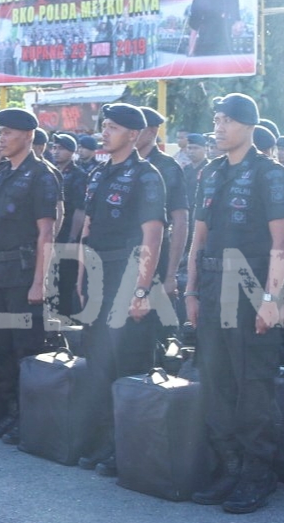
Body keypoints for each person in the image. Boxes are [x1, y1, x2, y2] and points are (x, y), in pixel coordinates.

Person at [185, 93, 284, 513]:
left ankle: (257, 475)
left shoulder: (271, 175)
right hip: (212, 290)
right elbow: (198, 238)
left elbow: (282, 242)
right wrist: (191, 291)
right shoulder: (210, 173)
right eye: (216, 120)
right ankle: (228, 467)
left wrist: (272, 299)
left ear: (248, 126)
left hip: (251, 292)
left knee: (253, 387)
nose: (219, 127)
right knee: (217, 383)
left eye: (227, 120)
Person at [76, 104, 165, 477]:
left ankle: (126, 446)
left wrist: (142, 290)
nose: (105, 133)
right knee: (98, 361)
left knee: (127, 361)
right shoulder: (98, 173)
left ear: (132, 134)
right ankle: (100, 441)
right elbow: (89, 226)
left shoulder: (147, 176)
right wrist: (81, 275)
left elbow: (153, 233)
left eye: (112, 127)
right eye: (104, 126)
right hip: (98, 273)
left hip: (128, 274)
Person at [0, 108, 63, 442]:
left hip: (25, 270)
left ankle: (29, 418)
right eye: (0, 132)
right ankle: (9, 410)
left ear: (27, 136)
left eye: (7, 133)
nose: (1, 138)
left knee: (23, 347)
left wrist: (40, 281)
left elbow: (47, 233)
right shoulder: (0, 173)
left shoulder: (42, 175)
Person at [137, 108, 188, 309]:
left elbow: (181, 221)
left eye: (137, 128)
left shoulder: (167, 167)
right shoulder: (118, 165)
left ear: (151, 132)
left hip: (156, 257)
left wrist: (170, 275)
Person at [50, 132, 87, 318]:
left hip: (67, 234)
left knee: (65, 281)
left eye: (61, 148)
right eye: (54, 148)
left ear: (72, 152)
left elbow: (80, 210)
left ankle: (64, 321)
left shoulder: (79, 175)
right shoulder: (51, 171)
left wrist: (73, 237)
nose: (56, 152)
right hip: (51, 234)